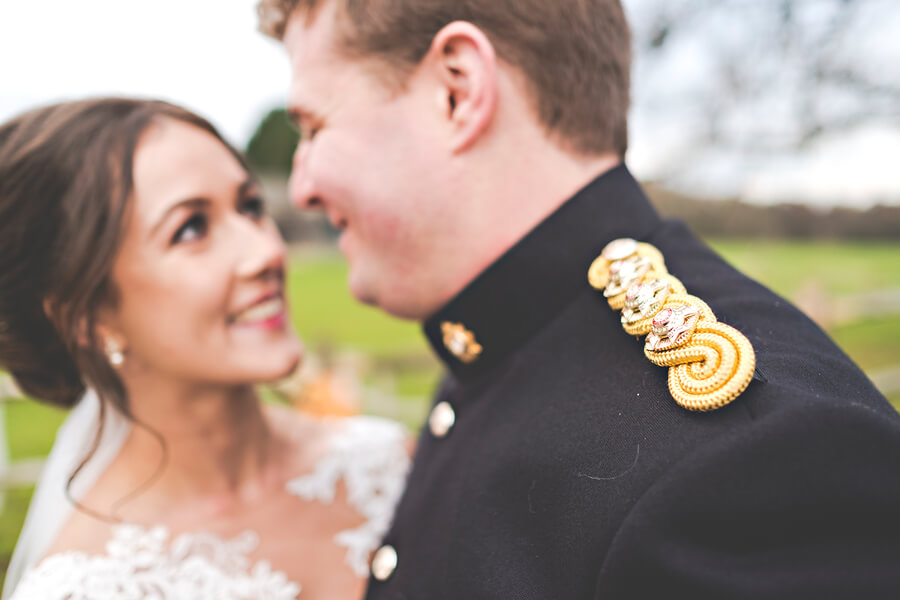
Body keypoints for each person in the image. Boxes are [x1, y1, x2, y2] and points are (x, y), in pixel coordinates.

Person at [257, 0, 900, 597]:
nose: (303, 184)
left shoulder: (745, 460)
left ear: (457, 90)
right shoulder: (498, 343)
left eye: (314, 128)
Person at [0, 98, 410, 600]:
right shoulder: (87, 588)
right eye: (191, 228)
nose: (266, 252)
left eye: (251, 207)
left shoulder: (391, 463)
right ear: (85, 316)